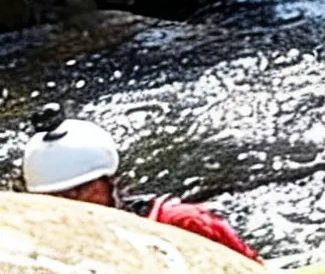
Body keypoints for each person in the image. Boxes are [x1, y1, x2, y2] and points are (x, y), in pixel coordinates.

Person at [20, 107, 261, 261]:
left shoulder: (184, 222)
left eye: (79, 190)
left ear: (110, 181)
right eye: (57, 197)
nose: (72, 204)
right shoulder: (40, 250)